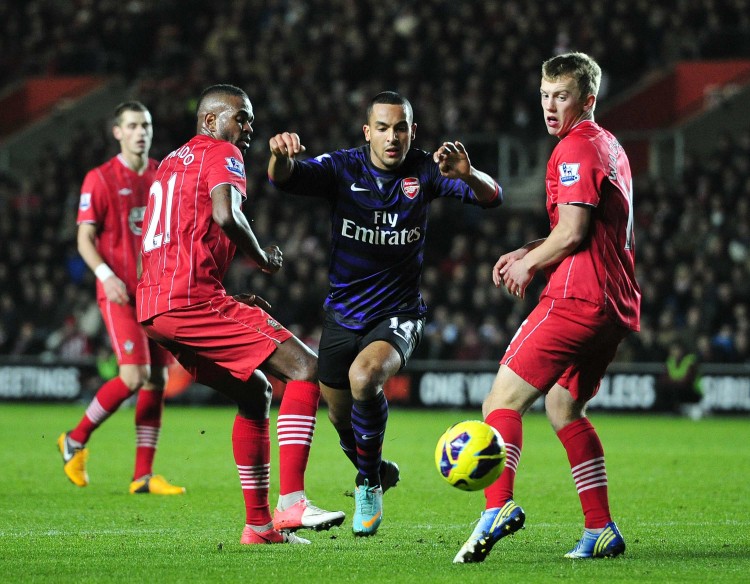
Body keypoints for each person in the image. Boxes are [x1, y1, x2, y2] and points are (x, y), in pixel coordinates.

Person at [268, 91, 502, 536]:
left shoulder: (427, 170)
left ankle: (367, 481)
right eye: (383, 127)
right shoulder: (343, 167)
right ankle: (371, 463)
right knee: (339, 417)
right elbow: (285, 178)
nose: (392, 137)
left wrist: (470, 175)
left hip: (399, 314)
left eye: (401, 128)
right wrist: (279, 156)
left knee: (365, 377)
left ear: (413, 131)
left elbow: (493, 197)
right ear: (367, 132)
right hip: (342, 315)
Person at [136, 84, 344, 545]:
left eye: (249, 120)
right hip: (189, 299)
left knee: (255, 393)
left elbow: (178, 240)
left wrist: (221, 294)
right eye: (241, 118)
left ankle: (259, 527)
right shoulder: (222, 150)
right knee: (307, 368)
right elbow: (227, 216)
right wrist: (262, 258)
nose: (247, 128)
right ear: (211, 121)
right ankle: (292, 503)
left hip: (155, 305)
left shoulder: (169, 164)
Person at [453, 52, 641, 563]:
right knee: (563, 407)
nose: (550, 105)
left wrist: (529, 266)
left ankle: (498, 507)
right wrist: (530, 249)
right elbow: (584, 228)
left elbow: (575, 233)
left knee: (500, 403)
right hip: (613, 301)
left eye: (561, 95)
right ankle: (600, 528)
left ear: (588, 99)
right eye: (544, 95)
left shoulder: (576, 146)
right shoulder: (608, 145)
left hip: (579, 296)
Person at [58, 102, 184, 495]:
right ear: (118, 132)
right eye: (132, 125)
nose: (140, 131)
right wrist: (105, 274)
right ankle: (74, 439)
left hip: (157, 294)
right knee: (133, 376)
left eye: (145, 124)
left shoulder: (164, 174)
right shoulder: (100, 179)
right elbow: (84, 238)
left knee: (158, 379)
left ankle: (142, 477)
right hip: (119, 293)